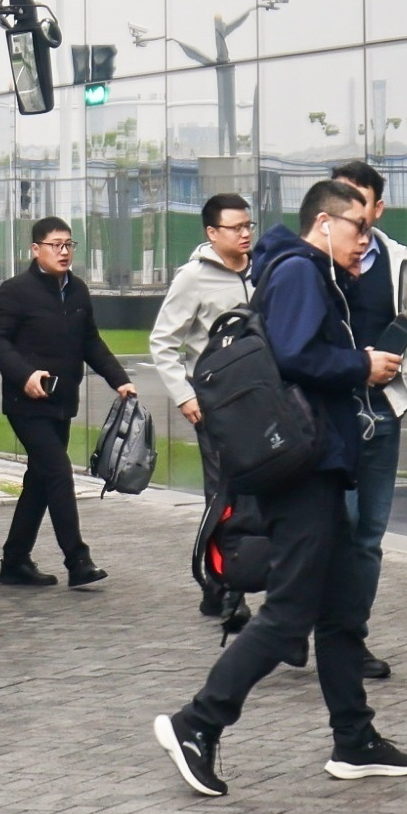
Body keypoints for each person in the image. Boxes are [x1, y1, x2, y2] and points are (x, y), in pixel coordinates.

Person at [154, 180, 407, 798]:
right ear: (325, 223)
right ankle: (196, 723)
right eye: (358, 228)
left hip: (315, 462)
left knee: (342, 608)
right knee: (290, 612)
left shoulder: (304, 270)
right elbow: (295, 354)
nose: (366, 240)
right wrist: (361, 365)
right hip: (303, 469)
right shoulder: (300, 270)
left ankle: (354, 738)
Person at [326, 158, 407, 684]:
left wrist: (405, 382)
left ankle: (351, 637)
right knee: (336, 528)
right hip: (328, 416)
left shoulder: (394, 260)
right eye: (339, 197)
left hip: (380, 415)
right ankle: (304, 623)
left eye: (358, 200)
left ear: (378, 207)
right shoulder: (311, 260)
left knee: (368, 535)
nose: (349, 209)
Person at [0, 214, 132, 589]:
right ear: (36, 249)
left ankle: (14, 562)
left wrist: (120, 380)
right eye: (56, 245)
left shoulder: (77, 290)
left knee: (39, 482)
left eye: (69, 245)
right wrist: (25, 375)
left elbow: (90, 342)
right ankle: (77, 560)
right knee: (59, 473)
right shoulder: (16, 290)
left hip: (62, 403)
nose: (64, 252)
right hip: (26, 403)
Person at [145, 192, 258, 630]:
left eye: (248, 225)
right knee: (224, 496)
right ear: (212, 233)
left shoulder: (262, 270)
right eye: (236, 227)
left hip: (262, 402)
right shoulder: (192, 278)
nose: (245, 234)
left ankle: (225, 583)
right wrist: (185, 395)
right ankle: (226, 588)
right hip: (215, 405)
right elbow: (163, 341)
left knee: (258, 495)